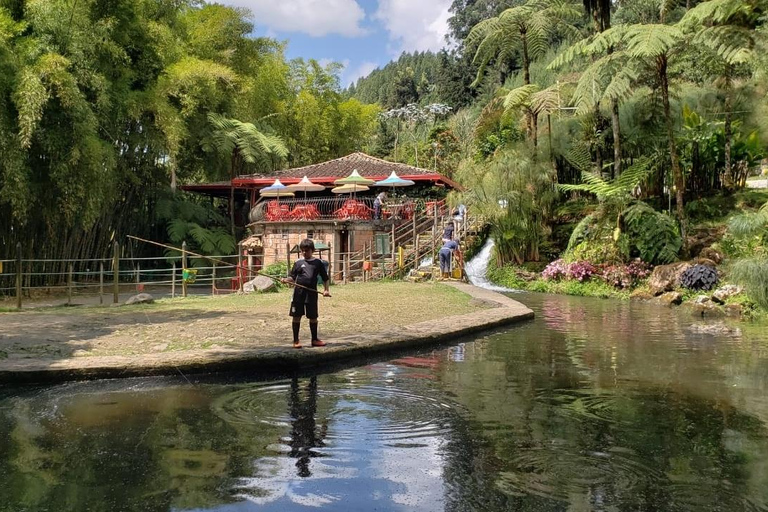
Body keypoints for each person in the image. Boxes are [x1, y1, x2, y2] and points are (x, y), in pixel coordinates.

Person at [281, 239, 331, 349]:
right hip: (298, 294)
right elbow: (293, 277)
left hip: (312, 294)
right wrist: (286, 280)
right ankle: (296, 341)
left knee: (313, 317)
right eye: (302, 250)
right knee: (296, 316)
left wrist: (326, 290)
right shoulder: (298, 263)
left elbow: (325, 278)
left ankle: (314, 339)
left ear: (312, 250)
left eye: (307, 251)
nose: (304, 253)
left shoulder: (318, 263)